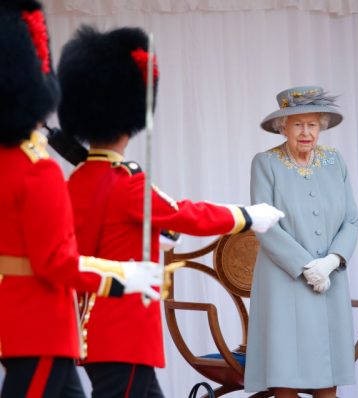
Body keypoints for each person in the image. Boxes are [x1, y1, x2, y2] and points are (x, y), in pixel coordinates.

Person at [56, 26, 284, 397]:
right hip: (124, 333)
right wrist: (248, 215)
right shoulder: (127, 182)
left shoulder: (78, 181)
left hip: (93, 329)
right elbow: (185, 215)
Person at [0, 2, 162, 397]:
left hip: (23, 323)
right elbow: (56, 261)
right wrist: (124, 277)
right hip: (41, 328)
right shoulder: (37, 169)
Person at [244, 86, 358, 398]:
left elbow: (352, 219)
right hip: (284, 282)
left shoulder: (335, 161)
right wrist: (307, 266)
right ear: (283, 127)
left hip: (330, 281)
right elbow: (264, 224)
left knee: (327, 379)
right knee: (286, 377)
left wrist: (331, 262)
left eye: (311, 124)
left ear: (321, 126)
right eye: (297, 124)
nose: (305, 132)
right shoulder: (265, 163)